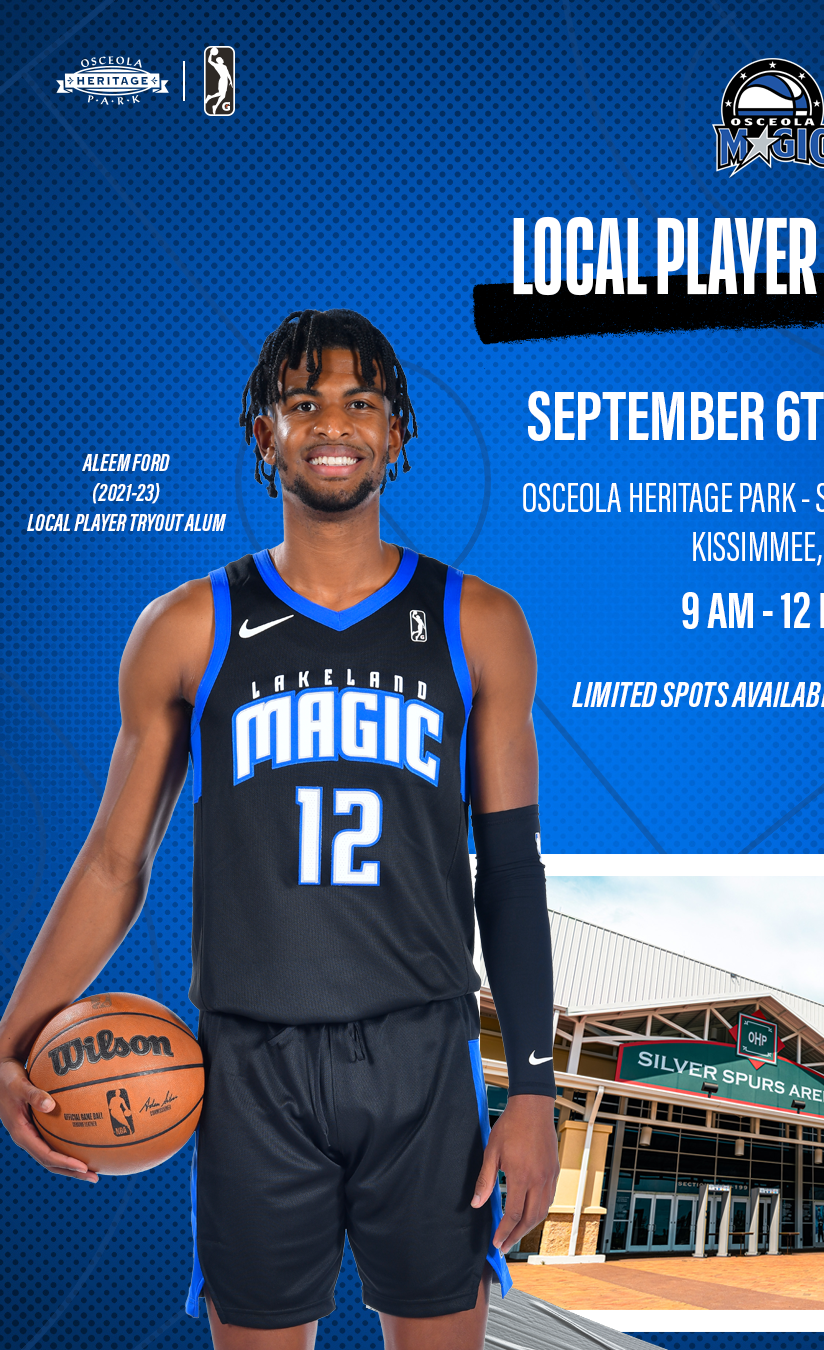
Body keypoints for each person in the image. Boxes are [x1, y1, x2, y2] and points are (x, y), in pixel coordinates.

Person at [0, 309, 561, 1350]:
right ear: (265, 432)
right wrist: (11, 1037)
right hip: (248, 1067)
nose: (332, 423)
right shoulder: (188, 626)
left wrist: (532, 1089)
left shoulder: (476, 621)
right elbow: (116, 861)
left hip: (423, 1058)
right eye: (304, 403)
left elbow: (512, 874)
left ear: (396, 432)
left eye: (360, 402)